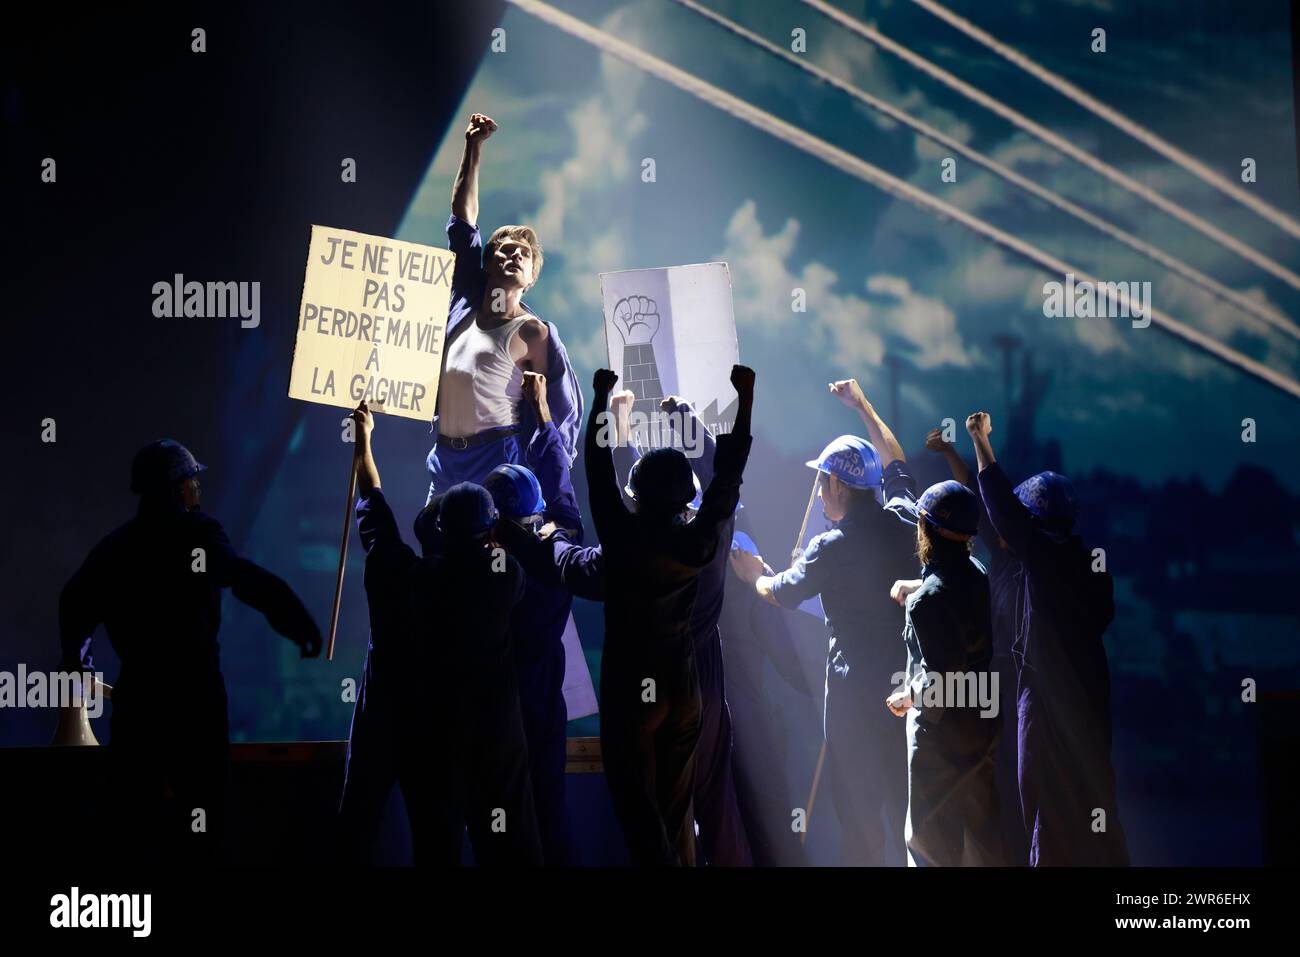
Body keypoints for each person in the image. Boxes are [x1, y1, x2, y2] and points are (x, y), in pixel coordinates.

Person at [58, 440, 322, 863]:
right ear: (179, 487)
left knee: (131, 824)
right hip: (194, 701)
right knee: (204, 821)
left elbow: (74, 603)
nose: (198, 488)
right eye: (193, 480)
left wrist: (78, 661)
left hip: (138, 701)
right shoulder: (197, 534)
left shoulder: (117, 548)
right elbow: (238, 575)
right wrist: (295, 620)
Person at [339, 401, 541, 865]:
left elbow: (373, 505)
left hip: (427, 746)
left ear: (439, 531)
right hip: (490, 748)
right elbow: (499, 552)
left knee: (434, 849)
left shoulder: (404, 575)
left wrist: (364, 441)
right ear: (491, 534)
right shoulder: (504, 576)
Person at [730, 378, 916, 866]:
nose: (819, 495)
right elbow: (895, 460)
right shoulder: (905, 518)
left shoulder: (830, 547)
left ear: (834, 484)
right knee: (907, 810)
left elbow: (783, 592)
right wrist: (864, 407)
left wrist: (754, 577)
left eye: (821, 482)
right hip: (908, 692)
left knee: (857, 815)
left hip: (855, 699)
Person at [585, 365, 754, 866]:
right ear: (687, 500)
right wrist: (744, 399)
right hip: (686, 690)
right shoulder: (702, 541)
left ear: (633, 496)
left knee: (637, 807)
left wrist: (601, 398)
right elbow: (728, 474)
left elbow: (596, 468)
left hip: (633, 691)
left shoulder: (619, 537)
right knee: (678, 811)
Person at [966, 411, 1129, 866]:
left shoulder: (1043, 556)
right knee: (1096, 805)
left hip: (1044, 701)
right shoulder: (1090, 564)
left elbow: (1001, 509)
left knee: (1044, 810)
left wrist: (980, 441)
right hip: (1090, 700)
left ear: (1035, 522)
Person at [425, 112, 582, 502]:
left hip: (496, 460)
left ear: (531, 277)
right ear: (488, 262)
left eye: (523, 254)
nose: (514, 255)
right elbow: (462, 221)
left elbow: (563, 416)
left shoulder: (534, 333)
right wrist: (472, 146)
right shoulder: (465, 298)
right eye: (504, 250)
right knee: (435, 549)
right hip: (444, 458)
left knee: (485, 557)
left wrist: (552, 492)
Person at [484, 371, 579, 864]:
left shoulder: (479, 573)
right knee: (550, 807)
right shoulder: (557, 555)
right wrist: (542, 413)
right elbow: (563, 494)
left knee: (501, 818)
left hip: (497, 706)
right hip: (547, 697)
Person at [925, 426, 1028, 864]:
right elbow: (971, 493)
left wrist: (976, 440)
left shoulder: (1022, 564)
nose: (992, 524)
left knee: (1001, 800)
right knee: (989, 803)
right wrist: (950, 450)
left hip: (1005, 696)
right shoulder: (1000, 557)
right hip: (994, 695)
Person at [886, 480, 1003, 866]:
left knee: (929, 844)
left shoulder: (925, 603)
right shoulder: (977, 571)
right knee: (980, 836)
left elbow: (940, 678)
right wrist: (919, 584)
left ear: (926, 528)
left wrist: (908, 696)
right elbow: (952, 584)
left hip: (939, 735)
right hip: (980, 722)